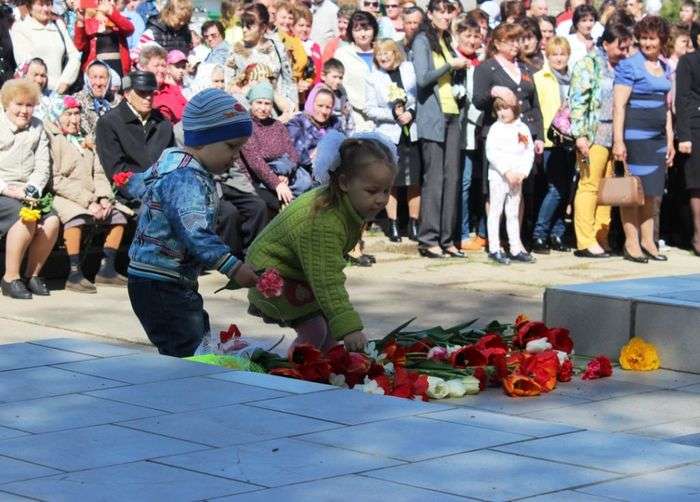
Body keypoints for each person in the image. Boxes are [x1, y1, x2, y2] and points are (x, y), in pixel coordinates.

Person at [127, 88, 258, 358]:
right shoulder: (187, 178)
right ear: (200, 141)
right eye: (231, 146)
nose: (236, 155)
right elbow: (194, 230)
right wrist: (232, 267)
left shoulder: (174, 164)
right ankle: (185, 396)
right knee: (188, 351)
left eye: (240, 148)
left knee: (193, 338)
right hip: (163, 281)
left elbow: (139, 184)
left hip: (158, 279)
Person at [246, 132, 397, 354]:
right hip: (270, 273)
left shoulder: (344, 204)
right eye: (372, 191)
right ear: (344, 182)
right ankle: (292, 376)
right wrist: (350, 329)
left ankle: (325, 375)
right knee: (315, 330)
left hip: (297, 272)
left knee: (327, 337)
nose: (381, 199)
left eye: (386, 190)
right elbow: (327, 280)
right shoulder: (325, 220)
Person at [44, 94, 130, 293]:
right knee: (77, 218)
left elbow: (98, 172)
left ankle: (106, 269)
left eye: (77, 114)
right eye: (68, 114)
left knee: (118, 215)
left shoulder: (85, 137)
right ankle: (74, 274)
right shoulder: (52, 139)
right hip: (64, 195)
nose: (74, 119)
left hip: (91, 195)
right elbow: (55, 179)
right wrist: (88, 201)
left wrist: (103, 197)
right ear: (57, 115)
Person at [613, 16, 674, 263]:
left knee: (652, 192)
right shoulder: (629, 66)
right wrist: (619, 141)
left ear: (662, 41)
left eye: (653, 38)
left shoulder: (666, 66)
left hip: (658, 140)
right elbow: (619, 106)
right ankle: (631, 242)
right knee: (632, 192)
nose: (648, 43)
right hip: (634, 137)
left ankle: (649, 241)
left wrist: (669, 139)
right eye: (644, 38)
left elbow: (666, 107)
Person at [570, 22, 632, 258]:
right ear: (605, 43)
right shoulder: (589, 64)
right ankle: (585, 240)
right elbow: (578, 100)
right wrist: (580, 135)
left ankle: (601, 235)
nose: (624, 53)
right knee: (589, 186)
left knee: (607, 190)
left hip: (614, 135)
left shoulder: (622, 67)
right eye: (620, 47)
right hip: (593, 133)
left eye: (627, 48)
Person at [413, 0, 469, 259]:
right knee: (434, 180)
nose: (446, 15)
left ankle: (448, 240)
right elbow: (423, 78)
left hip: (453, 114)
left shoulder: (446, 40)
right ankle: (429, 239)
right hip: (433, 116)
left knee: (452, 178)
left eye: (449, 11)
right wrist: (451, 66)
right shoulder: (422, 40)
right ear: (430, 14)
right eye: (441, 11)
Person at [0, 79, 59, 299]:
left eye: (29, 105)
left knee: (51, 221)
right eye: (19, 104)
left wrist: (33, 188)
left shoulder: (38, 127)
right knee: (24, 217)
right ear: (6, 104)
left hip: (28, 189)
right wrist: (7, 189)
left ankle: (32, 275)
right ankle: (10, 277)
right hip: (3, 189)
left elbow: (43, 165)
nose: (24, 111)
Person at [365, 38, 420, 242]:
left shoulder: (409, 69)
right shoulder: (373, 78)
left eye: (387, 52)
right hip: (389, 135)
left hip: (412, 132)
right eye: (379, 53)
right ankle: (393, 224)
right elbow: (369, 109)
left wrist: (411, 113)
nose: (383, 56)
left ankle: (413, 224)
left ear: (395, 53)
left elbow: (417, 98)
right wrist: (393, 114)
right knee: (392, 182)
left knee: (414, 180)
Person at [95, 70, 174, 204]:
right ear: (127, 94)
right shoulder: (109, 123)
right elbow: (116, 170)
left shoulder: (163, 123)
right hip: (131, 198)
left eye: (151, 92)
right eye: (142, 93)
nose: (148, 97)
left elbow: (172, 162)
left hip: (166, 193)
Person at [532, 37, 575, 254]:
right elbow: (536, 110)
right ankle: (539, 234)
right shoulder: (540, 78)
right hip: (551, 140)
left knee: (566, 189)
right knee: (555, 189)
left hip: (570, 140)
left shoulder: (574, 78)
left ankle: (557, 234)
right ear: (547, 57)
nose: (559, 58)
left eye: (562, 54)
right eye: (554, 54)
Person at [226, 4, 297, 121]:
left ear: (263, 27)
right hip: (246, 117)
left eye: (249, 26)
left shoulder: (278, 48)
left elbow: (289, 82)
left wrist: (290, 110)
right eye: (243, 25)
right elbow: (228, 85)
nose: (244, 29)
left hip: (279, 116)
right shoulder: (235, 50)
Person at [485, 98, 535, 265]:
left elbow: (529, 152)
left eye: (505, 108)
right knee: (496, 211)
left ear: (515, 108)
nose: (501, 112)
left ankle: (515, 248)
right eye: (498, 109)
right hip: (500, 176)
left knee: (513, 213)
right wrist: (506, 171)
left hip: (516, 179)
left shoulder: (522, 128)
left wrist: (522, 173)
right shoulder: (495, 129)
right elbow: (492, 153)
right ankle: (494, 247)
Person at [240, 80, 304, 211]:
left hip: (282, 175)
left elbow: (293, 153)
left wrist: (286, 174)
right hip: (257, 179)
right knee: (279, 203)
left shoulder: (278, 126)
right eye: (259, 102)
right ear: (251, 103)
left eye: (267, 103)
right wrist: (277, 182)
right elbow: (255, 161)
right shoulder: (245, 126)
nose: (263, 108)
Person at [454, 16, 486, 252]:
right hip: (461, 131)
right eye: (467, 35)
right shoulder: (456, 61)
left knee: (478, 183)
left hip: (480, 131)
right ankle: (461, 232)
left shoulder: (482, 63)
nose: (472, 40)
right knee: (463, 183)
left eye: (476, 36)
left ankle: (479, 230)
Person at [11, 0, 81, 93]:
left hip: (60, 91)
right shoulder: (21, 28)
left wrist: (65, 81)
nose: (45, 9)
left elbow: (74, 55)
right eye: (40, 5)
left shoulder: (58, 25)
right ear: (30, 6)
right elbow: (25, 63)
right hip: (34, 91)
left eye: (48, 4)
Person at [675, 22, 700, 256]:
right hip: (695, 128)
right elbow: (682, 99)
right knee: (697, 186)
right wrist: (684, 135)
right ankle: (698, 236)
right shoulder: (688, 61)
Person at [334, 10, 378, 133]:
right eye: (357, 30)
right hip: (354, 115)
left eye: (367, 29)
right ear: (351, 32)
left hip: (382, 116)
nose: (363, 34)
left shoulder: (382, 52)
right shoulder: (342, 54)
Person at [287, 85, 344, 174]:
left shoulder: (335, 123)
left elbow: (344, 148)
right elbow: (297, 156)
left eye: (328, 107)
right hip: (304, 173)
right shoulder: (297, 123)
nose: (324, 111)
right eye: (320, 106)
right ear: (311, 103)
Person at [73, 0, 134, 78]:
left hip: (119, 68)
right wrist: (80, 22)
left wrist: (110, 12)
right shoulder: (89, 19)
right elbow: (80, 46)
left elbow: (129, 29)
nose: (111, 3)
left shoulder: (117, 17)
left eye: (113, 1)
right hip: (95, 71)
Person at [138, 43, 187, 123]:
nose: (161, 70)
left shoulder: (171, 88)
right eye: (156, 66)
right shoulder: (139, 93)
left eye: (163, 66)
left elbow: (187, 109)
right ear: (143, 68)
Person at [74, 60, 122, 139]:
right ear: (87, 79)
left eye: (102, 78)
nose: (98, 83)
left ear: (109, 79)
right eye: (94, 77)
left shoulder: (117, 101)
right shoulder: (78, 100)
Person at [565, 4, 598, 70]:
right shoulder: (568, 41)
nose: (588, 25)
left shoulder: (597, 43)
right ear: (576, 23)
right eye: (584, 20)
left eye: (591, 20)